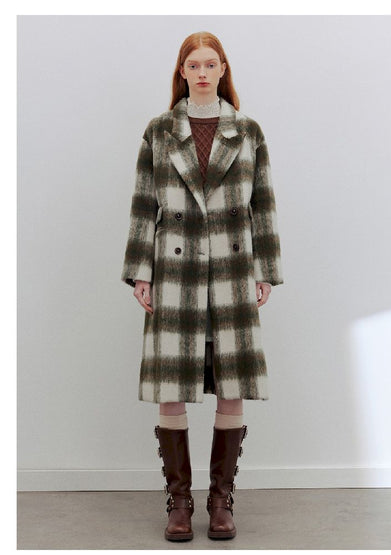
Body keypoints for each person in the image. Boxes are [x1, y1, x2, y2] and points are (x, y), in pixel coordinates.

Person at [121, 31, 283, 542]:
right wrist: (141, 271)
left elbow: (263, 204)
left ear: (223, 69)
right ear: (182, 72)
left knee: (231, 385)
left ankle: (219, 501)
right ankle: (179, 503)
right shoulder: (159, 130)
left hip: (233, 269)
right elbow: (144, 205)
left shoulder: (248, 131)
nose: (203, 73)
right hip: (175, 271)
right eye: (194, 65)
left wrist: (265, 269)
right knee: (172, 388)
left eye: (211, 64)